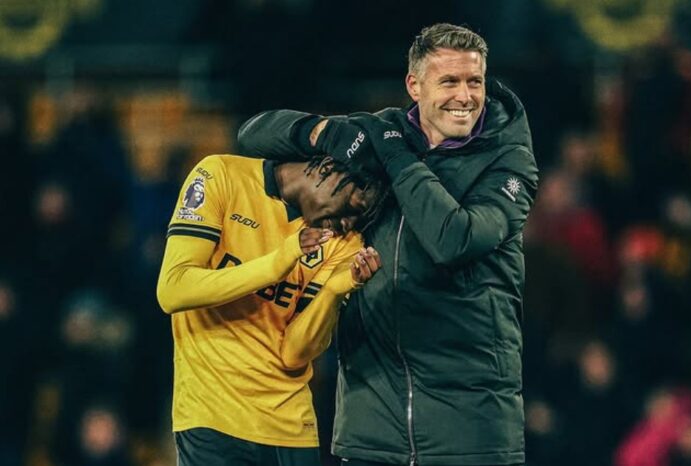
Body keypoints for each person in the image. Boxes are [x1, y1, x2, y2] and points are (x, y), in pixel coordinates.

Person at [237, 23, 538, 466]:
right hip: (371, 423)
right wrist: (325, 133)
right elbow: (252, 134)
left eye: (474, 81)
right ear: (414, 86)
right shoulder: (384, 132)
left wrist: (396, 157)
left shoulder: (509, 163)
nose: (465, 96)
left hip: (470, 429)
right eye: (449, 81)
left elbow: (453, 239)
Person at [156, 153, 385, 466]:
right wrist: (277, 264)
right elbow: (174, 289)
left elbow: (294, 354)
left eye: (358, 217)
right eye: (350, 206)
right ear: (326, 169)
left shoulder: (345, 242)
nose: (348, 223)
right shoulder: (221, 175)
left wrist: (334, 292)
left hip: (291, 429)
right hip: (212, 417)